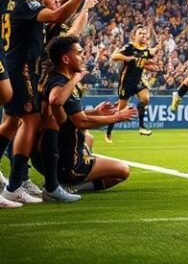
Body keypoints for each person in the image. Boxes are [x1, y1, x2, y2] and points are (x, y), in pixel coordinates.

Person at [0, 0, 104, 205]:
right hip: (24, 70)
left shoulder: (16, 2)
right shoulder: (29, 6)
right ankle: (18, 183)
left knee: (16, 122)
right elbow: (60, 11)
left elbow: (58, 3)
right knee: (32, 120)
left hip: (19, 68)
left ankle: (27, 182)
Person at [35, 36, 135, 194]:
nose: (83, 57)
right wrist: (118, 117)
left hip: (49, 157)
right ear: (66, 59)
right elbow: (79, 120)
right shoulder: (62, 83)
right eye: (79, 53)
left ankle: (66, 179)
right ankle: (71, 186)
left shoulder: (57, 78)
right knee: (123, 170)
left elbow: (70, 115)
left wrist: (96, 112)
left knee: (88, 138)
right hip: (67, 164)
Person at [105, 25, 159, 142]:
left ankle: (142, 127)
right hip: (126, 82)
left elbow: (152, 53)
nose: (143, 35)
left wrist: (150, 65)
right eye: (140, 33)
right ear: (134, 36)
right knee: (120, 111)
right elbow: (114, 56)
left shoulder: (145, 49)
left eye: (144, 33)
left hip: (138, 81)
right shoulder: (130, 46)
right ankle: (109, 130)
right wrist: (126, 58)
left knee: (145, 99)